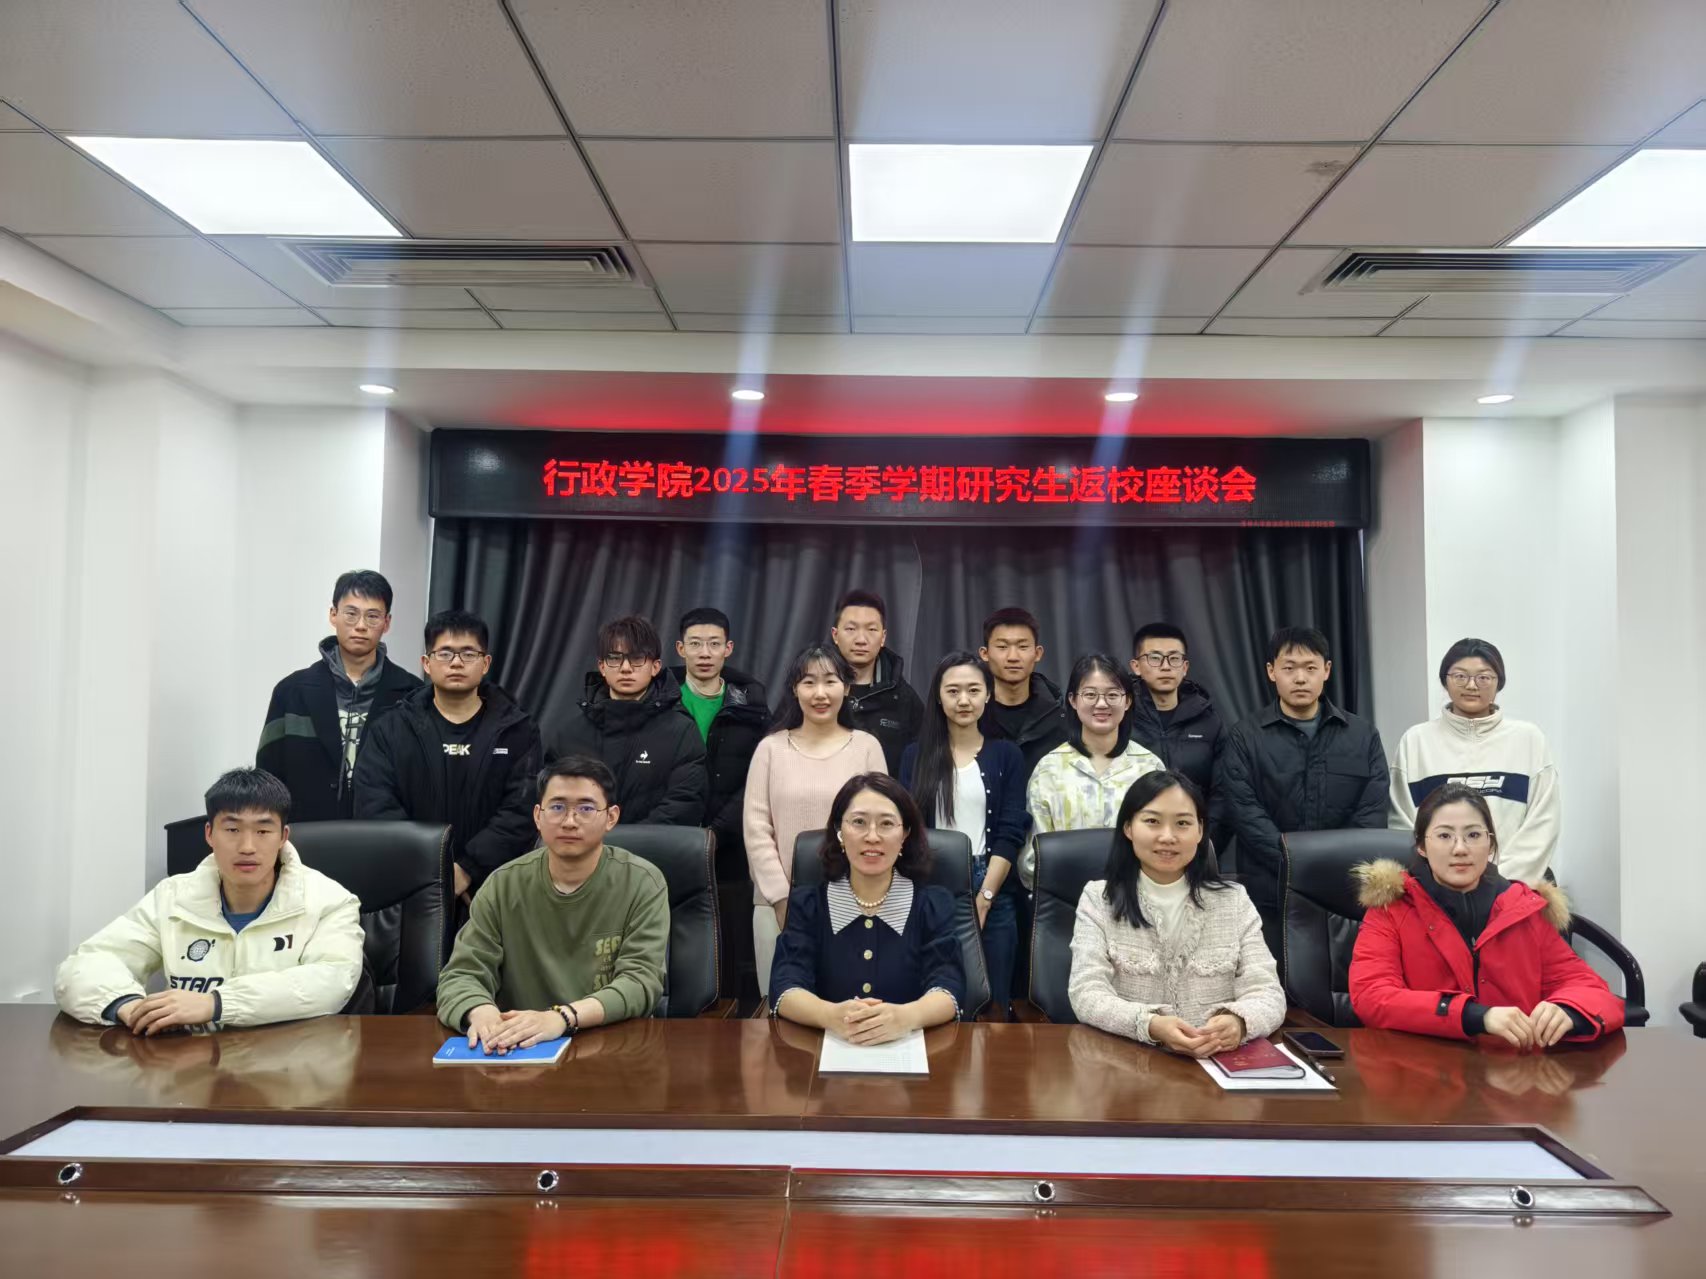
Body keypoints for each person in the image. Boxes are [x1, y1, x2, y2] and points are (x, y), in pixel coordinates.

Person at [55, 768, 364, 1032]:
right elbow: (85, 966)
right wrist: (129, 1006)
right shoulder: (172, 898)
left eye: (262, 831)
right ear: (209, 834)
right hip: (188, 1067)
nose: (247, 846)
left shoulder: (330, 901)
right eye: (232, 829)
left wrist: (216, 1004)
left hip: (288, 1068)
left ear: (283, 837)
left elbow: (333, 981)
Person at [1350, 782, 1623, 1047]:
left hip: (1514, 1070)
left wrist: (1569, 1009)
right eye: (1444, 836)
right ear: (1422, 845)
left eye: (1473, 835)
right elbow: (1372, 996)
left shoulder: (1524, 908)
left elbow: (1591, 990)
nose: (1460, 848)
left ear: (1490, 844)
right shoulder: (1391, 908)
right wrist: (1473, 1016)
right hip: (1424, 1067)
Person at [436, 756, 669, 1051]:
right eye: (557, 807)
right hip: (520, 1049)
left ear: (611, 817)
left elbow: (640, 982)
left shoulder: (642, 882)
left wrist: (561, 1017)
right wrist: (482, 1013)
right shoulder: (503, 885)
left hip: (611, 1047)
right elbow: (461, 974)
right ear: (538, 816)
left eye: (586, 808)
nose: (569, 821)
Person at [1068, 771, 1283, 1054]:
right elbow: (1086, 993)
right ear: (1128, 827)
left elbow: (1268, 992)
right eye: (1152, 821)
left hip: (1217, 1062)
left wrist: (1239, 1022)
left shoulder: (1233, 901)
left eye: (1182, 823)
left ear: (1200, 831)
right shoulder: (1099, 899)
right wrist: (1149, 1025)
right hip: (1131, 1062)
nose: (1167, 837)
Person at [1218, 626, 1387, 963]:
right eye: (1289, 668)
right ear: (1271, 671)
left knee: (1343, 983)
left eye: (1310, 668)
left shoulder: (1362, 735)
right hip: (1269, 891)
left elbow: (1372, 811)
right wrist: (1294, 863)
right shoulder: (1244, 736)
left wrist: (1332, 864)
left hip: (1343, 892)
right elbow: (1243, 811)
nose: (1300, 678)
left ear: (1326, 670)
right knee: (1271, 983)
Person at [354, 609, 542, 903]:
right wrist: (433, 870)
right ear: (426, 664)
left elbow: (521, 811)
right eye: (444, 653)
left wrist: (467, 869)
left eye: (468, 653)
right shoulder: (391, 729)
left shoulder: (517, 731)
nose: (456, 662)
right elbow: (374, 805)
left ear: (485, 663)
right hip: (409, 888)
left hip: (496, 888)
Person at [769, 773, 964, 1041]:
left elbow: (949, 986)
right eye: (859, 822)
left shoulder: (932, 906)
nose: (872, 836)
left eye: (886, 824)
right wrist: (830, 1015)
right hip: (826, 1052)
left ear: (905, 834)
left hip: (912, 1053)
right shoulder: (809, 906)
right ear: (839, 830)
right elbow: (785, 985)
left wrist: (906, 1017)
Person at [744, 645, 887, 999]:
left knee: (849, 1009)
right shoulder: (770, 749)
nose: (820, 693)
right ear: (795, 689)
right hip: (777, 905)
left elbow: (882, 825)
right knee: (782, 1009)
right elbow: (757, 828)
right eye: (808, 682)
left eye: (830, 681)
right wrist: (781, 899)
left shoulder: (866, 747)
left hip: (855, 902)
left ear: (847, 688)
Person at [899, 652, 1026, 1018]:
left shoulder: (1007, 755)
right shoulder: (915, 755)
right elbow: (907, 829)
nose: (964, 700)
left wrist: (985, 897)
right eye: (953, 691)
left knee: (993, 1005)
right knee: (934, 996)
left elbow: (1010, 831)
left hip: (993, 885)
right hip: (930, 882)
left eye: (973, 690)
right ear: (938, 698)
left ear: (988, 695)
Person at [1389, 638, 1560, 886]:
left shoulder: (1528, 739)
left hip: (1512, 888)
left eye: (1483, 677)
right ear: (1445, 681)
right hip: (1437, 891)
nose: (1471, 685)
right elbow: (1403, 825)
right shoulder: (1416, 741)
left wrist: (1499, 884)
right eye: (1460, 676)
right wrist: (1441, 881)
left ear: (1499, 682)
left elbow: (1543, 824)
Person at [257, 570, 420, 821]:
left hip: (385, 835)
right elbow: (267, 777)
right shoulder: (291, 691)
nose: (361, 626)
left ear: (387, 622)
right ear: (333, 615)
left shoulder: (412, 694)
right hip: (305, 834)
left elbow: (420, 780)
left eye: (372, 616)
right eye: (351, 614)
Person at [669, 606, 770, 997]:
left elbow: (759, 777)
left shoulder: (751, 705)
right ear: (681, 649)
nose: (705, 653)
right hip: (671, 840)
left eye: (714, 644)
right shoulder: (661, 699)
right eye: (695, 644)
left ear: (729, 649)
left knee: (730, 951)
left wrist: (717, 830)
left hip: (730, 846)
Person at [548, 614, 708, 826]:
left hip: (653, 846)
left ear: (655, 667)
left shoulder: (682, 732)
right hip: (582, 844)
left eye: (637, 658)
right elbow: (552, 802)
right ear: (602, 667)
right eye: (615, 658)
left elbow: (685, 803)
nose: (625, 668)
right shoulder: (570, 734)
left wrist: (627, 842)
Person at [1024, 654, 1166, 886]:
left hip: (1137, 894)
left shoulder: (1149, 767)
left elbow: (1162, 842)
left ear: (1128, 701)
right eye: (1090, 694)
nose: (1101, 704)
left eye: (1113, 695)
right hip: (1068, 898)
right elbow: (1034, 858)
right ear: (1073, 700)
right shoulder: (1049, 769)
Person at [1126, 622, 1226, 845]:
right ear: (1136, 666)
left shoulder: (1208, 721)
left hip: (1195, 842)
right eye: (1154, 658)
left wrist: (1203, 842)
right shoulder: (1121, 718)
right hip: (1134, 842)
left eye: (1174, 658)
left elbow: (1222, 794)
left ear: (1185, 667)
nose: (1165, 667)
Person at [831, 589, 924, 773]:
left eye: (872, 629)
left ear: (883, 637)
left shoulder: (902, 697)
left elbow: (921, 762)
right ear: (835, 635)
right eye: (851, 629)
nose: (861, 640)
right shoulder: (815, 690)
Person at [978, 606, 1068, 782]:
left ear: (1037, 653)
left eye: (1023, 646)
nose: (1013, 657)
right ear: (985, 653)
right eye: (1002, 647)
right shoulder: (971, 714)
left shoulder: (1060, 716)